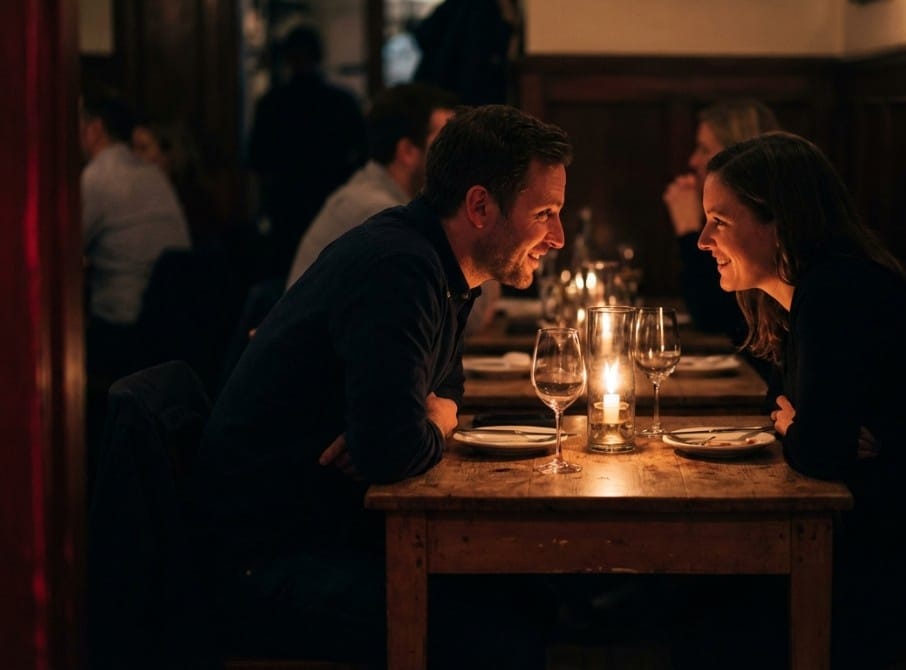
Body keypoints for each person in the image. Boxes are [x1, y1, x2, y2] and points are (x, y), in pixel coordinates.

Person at [191, 104, 572, 666]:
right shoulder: (400, 267)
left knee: (532, 594)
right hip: (267, 560)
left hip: (328, 527)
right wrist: (429, 422)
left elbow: (448, 386)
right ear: (480, 206)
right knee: (501, 635)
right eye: (545, 213)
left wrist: (425, 417)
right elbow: (391, 449)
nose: (558, 236)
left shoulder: (440, 266)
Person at [698, 132, 906, 668]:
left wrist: (802, 430)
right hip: (899, 533)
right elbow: (781, 406)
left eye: (719, 221)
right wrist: (804, 426)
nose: (703, 240)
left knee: (728, 614)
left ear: (779, 220)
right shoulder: (806, 295)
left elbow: (818, 450)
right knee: (721, 603)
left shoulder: (836, 292)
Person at [286, 82, 458, 287]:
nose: (458, 156)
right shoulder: (376, 212)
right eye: (446, 144)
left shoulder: (375, 196)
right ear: (407, 151)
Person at [80, 89, 191, 379]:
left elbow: (61, 251)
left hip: (122, 333)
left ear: (95, 129)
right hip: (172, 328)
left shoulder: (98, 177)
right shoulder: (153, 175)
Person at [248, 24, 367, 279]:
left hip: (286, 204)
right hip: (332, 199)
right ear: (320, 56)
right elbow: (363, 153)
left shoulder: (272, 103)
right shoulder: (341, 102)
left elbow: (258, 161)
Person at [663, 99, 779, 339]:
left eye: (704, 149)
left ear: (738, 156)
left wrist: (688, 233)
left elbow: (713, 317)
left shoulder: (768, 228)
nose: (693, 161)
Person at [132, 117, 227, 243]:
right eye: (132, 148)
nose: (134, 156)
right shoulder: (136, 196)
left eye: (143, 148)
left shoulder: (192, 200)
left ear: (167, 154)